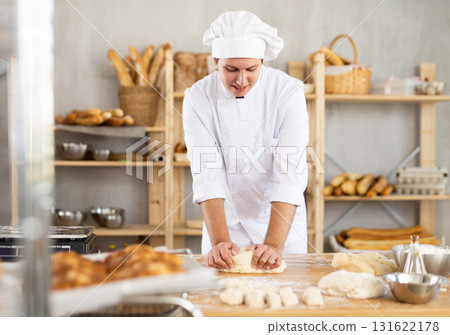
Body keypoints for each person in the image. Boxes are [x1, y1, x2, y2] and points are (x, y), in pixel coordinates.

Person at [182, 10, 309, 271]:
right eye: (230, 69)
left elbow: (289, 172)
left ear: (262, 61)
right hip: (224, 228)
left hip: (280, 229)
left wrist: (273, 244)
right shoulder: (198, 97)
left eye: (252, 69)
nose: (241, 80)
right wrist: (219, 240)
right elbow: (207, 173)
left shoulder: (288, 92)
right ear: (215, 60)